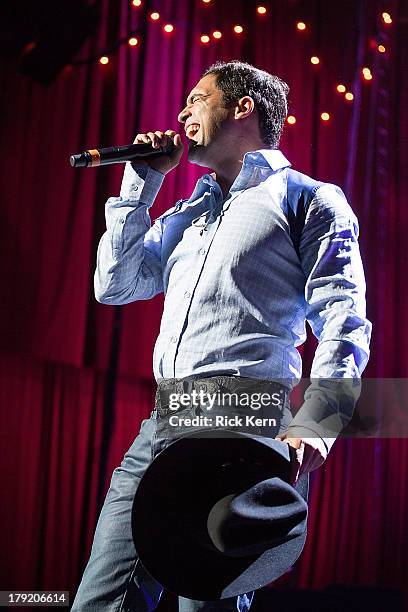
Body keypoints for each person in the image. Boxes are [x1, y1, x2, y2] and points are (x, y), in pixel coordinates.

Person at [71, 61, 371, 611]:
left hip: (243, 421)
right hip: (165, 420)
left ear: (241, 108)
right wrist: (142, 180)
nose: (182, 113)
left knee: (204, 603)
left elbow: (344, 323)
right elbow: (113, 285)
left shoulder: (309, 199)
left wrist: (318, 428)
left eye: (196, 99)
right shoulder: (191, 212)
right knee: (99, 601)